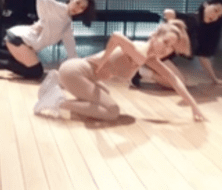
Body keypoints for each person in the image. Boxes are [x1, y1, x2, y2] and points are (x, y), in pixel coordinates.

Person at [33, 19, 206, 122]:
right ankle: (56, 101)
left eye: (171, 48)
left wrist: (194, 107)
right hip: (76, 72)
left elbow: (173, 79)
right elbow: (116, 36)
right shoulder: (140, 52)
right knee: (112, 112)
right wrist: (104, 57)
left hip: (78, 71)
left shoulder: (147, 56)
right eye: (166, 42)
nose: (167, 50)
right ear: (155, 36)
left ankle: (57, 84)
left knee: (105, 93)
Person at [0, 0, 95, 80]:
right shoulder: (59, 8)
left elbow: (71, 50)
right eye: (77, 3)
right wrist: (43, 21)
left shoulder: (67, 24)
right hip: (19, 39)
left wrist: (82, 68)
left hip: (24, 42)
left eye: (82, 8)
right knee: (36, 71)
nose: (78, 8)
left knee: (24, 62)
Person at [134, 0, 222, 87]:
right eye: (215, 10)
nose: (215, 16)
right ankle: (142, 71)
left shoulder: (204, 30)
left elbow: (203, 57)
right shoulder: (191, 18)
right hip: (156, 54)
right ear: (206, 4)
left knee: (179, 83)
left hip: (164, 58)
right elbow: (168, 12)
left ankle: (142, 71)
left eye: (219, 16)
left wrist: (215, 79)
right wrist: (173, 29)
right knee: (179, 83)